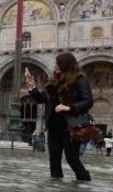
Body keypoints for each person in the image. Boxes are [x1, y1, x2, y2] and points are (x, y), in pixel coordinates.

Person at [26, 52, 93, 181]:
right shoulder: (54, 80)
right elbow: (43, 99)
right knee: (54, 160)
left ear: (65, 64)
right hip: (54, 126)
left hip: (70, 126)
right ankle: (56, 189)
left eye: (57, 63)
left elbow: (88, 100)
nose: (55, 65)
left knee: (72, 159)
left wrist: (69, 107)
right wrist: (32, 87)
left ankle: (84, 181)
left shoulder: (80, 80)